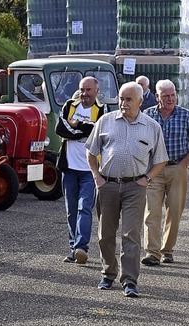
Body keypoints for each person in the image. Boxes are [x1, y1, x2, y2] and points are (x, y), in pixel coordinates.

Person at [85, 82, 168, 298]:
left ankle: (130, 280)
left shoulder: (152, 127)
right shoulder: (106, 121)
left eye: (129, 99)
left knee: (131, 234)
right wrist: (97, 177)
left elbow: (160, 160)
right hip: (108, 185)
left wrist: (146, 179)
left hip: (135, 186)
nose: (123, 103)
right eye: (121, 98)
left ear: (140, 102)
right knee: (106, 234)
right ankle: (108, 273)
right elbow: (91, 152)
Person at [142, 79, 189, 266]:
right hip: (153, 170)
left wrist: (183, 164)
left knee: (174, 212)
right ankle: (152, 252)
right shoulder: (147, 116)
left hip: (177, 168)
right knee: (151, 212)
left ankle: (167, 250)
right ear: (157, 97)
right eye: (166, 96)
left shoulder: (186, 115)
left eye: (173, 95)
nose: (171, 99)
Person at [55, 77, 106, 264]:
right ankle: (73, 248)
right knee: (71, 211)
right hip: (69, 167)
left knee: (84, 207)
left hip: (89, 169)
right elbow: (60, 129)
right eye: (82, 89)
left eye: (88, 90)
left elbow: (97, 132)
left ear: (96, 91)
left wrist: (76, 127)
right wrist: (81, 130)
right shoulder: (70, 105)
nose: (85, 94)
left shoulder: (102, 109)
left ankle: (81, 248)